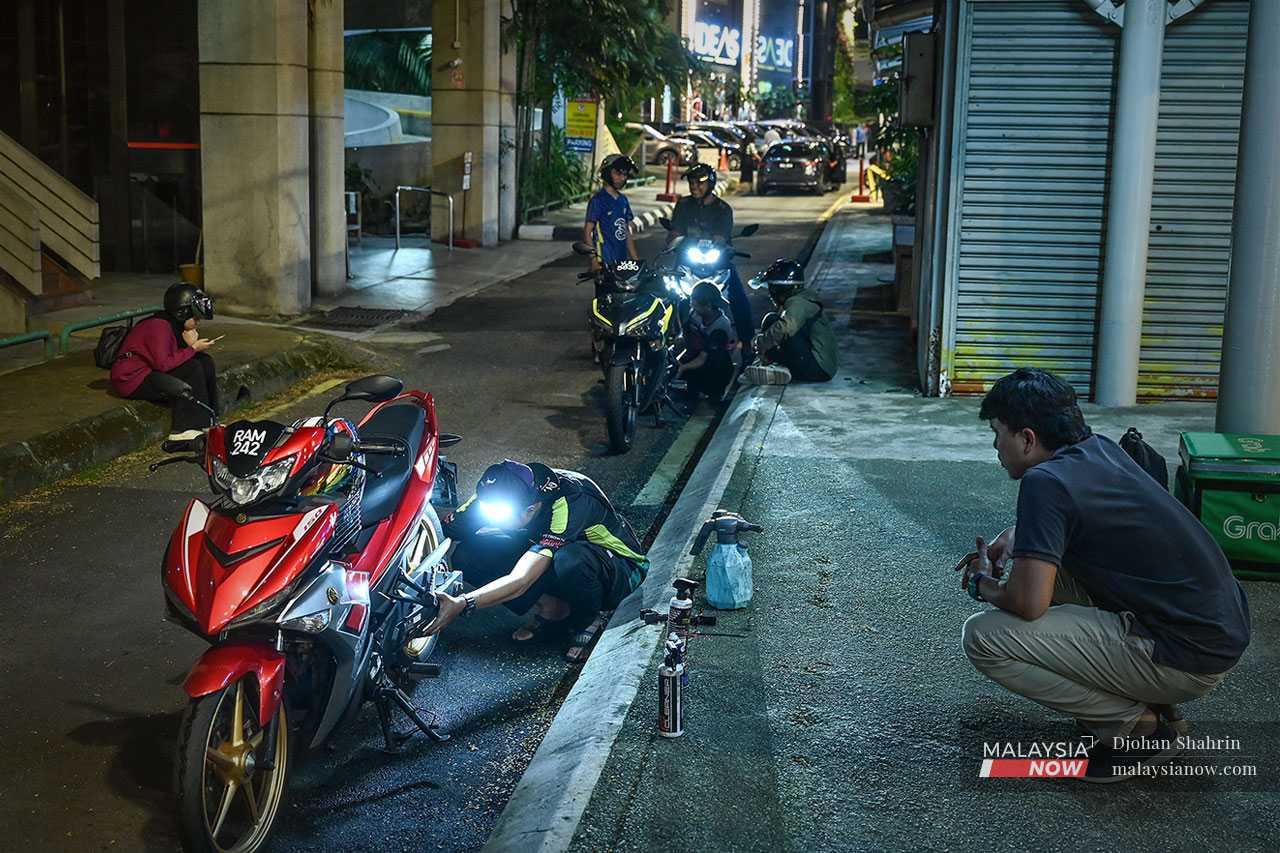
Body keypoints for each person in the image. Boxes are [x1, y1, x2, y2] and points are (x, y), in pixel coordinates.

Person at [955, 368, 1250, 783]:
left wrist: (983, 585)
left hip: (1185, 656)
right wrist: (1018, 537)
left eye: (997, 432)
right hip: (1213, 632)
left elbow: (1028, 602)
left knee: (984, 637)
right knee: (1049, 572)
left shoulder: (1044, 482)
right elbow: (1086, 523)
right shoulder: (1099, 450)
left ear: (1026, 438)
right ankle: (1153, 702)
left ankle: (1134, 727)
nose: (994, 446)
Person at [423, 460, 648, 646]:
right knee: (468, 554)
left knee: (571, 559)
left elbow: (521, 579)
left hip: (620, 569)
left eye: (499, 514)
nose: (491, 516)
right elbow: (441, 529)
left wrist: (463, 603)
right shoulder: (498, 492)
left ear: (531, 509)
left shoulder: (570, 501)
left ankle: (587, 620)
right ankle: (551, 606)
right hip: (557, 555)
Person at [110, 282, 220, 441]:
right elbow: (163, 364)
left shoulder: (174, 324)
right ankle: (183, 428)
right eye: (195, 317)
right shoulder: (159, 326)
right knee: (192, 367)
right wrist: (193, 348)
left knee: (205, 361)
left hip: (150, 372)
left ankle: (210, 419)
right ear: (183, 312)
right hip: (132, 379)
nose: (198, 321)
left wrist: (189, 346)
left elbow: (173, 357)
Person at [666, 163, 753, 350]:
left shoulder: (722, 209)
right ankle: (665, 339)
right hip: (687, 262)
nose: (694, 186)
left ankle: (748, 343)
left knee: (739, 299)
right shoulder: (683, 205)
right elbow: (675, 231)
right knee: (668, 292)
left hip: (717, 263)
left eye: (699, 183)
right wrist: (673, 241)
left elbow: (721, 237)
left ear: (711, 184)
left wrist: (722, 246)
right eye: (692, 183)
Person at [743, 259, 837, 385]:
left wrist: (761, 342)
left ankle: (774, 366)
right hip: (818, 366)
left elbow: (785, 328)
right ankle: (773, 365)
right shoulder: (802, 299)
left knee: (779, 327)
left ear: (779, 289)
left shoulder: (799, 303)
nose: (770, 294)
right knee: (772, 319)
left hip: (818, 370)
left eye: (771, 288)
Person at [675, 281, 741, 403]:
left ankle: (713, 393)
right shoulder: (694, 314)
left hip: (712, 365)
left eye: (695, 304)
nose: (692, 306)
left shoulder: (721, 325)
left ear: (708, 306)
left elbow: (703, 357)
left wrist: (683, 367)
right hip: (696, 355)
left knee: (717, 360)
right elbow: (684, 337)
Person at [583, 154, 640, 270]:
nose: (622, 178)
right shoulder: (598, 200)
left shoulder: (623, 200)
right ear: (607, 173)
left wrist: (636, 260)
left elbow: (626, 232)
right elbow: (588, 231)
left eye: (625, 175)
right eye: (618, 173)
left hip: (621, 261)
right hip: (603, 261)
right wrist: (593, 259)